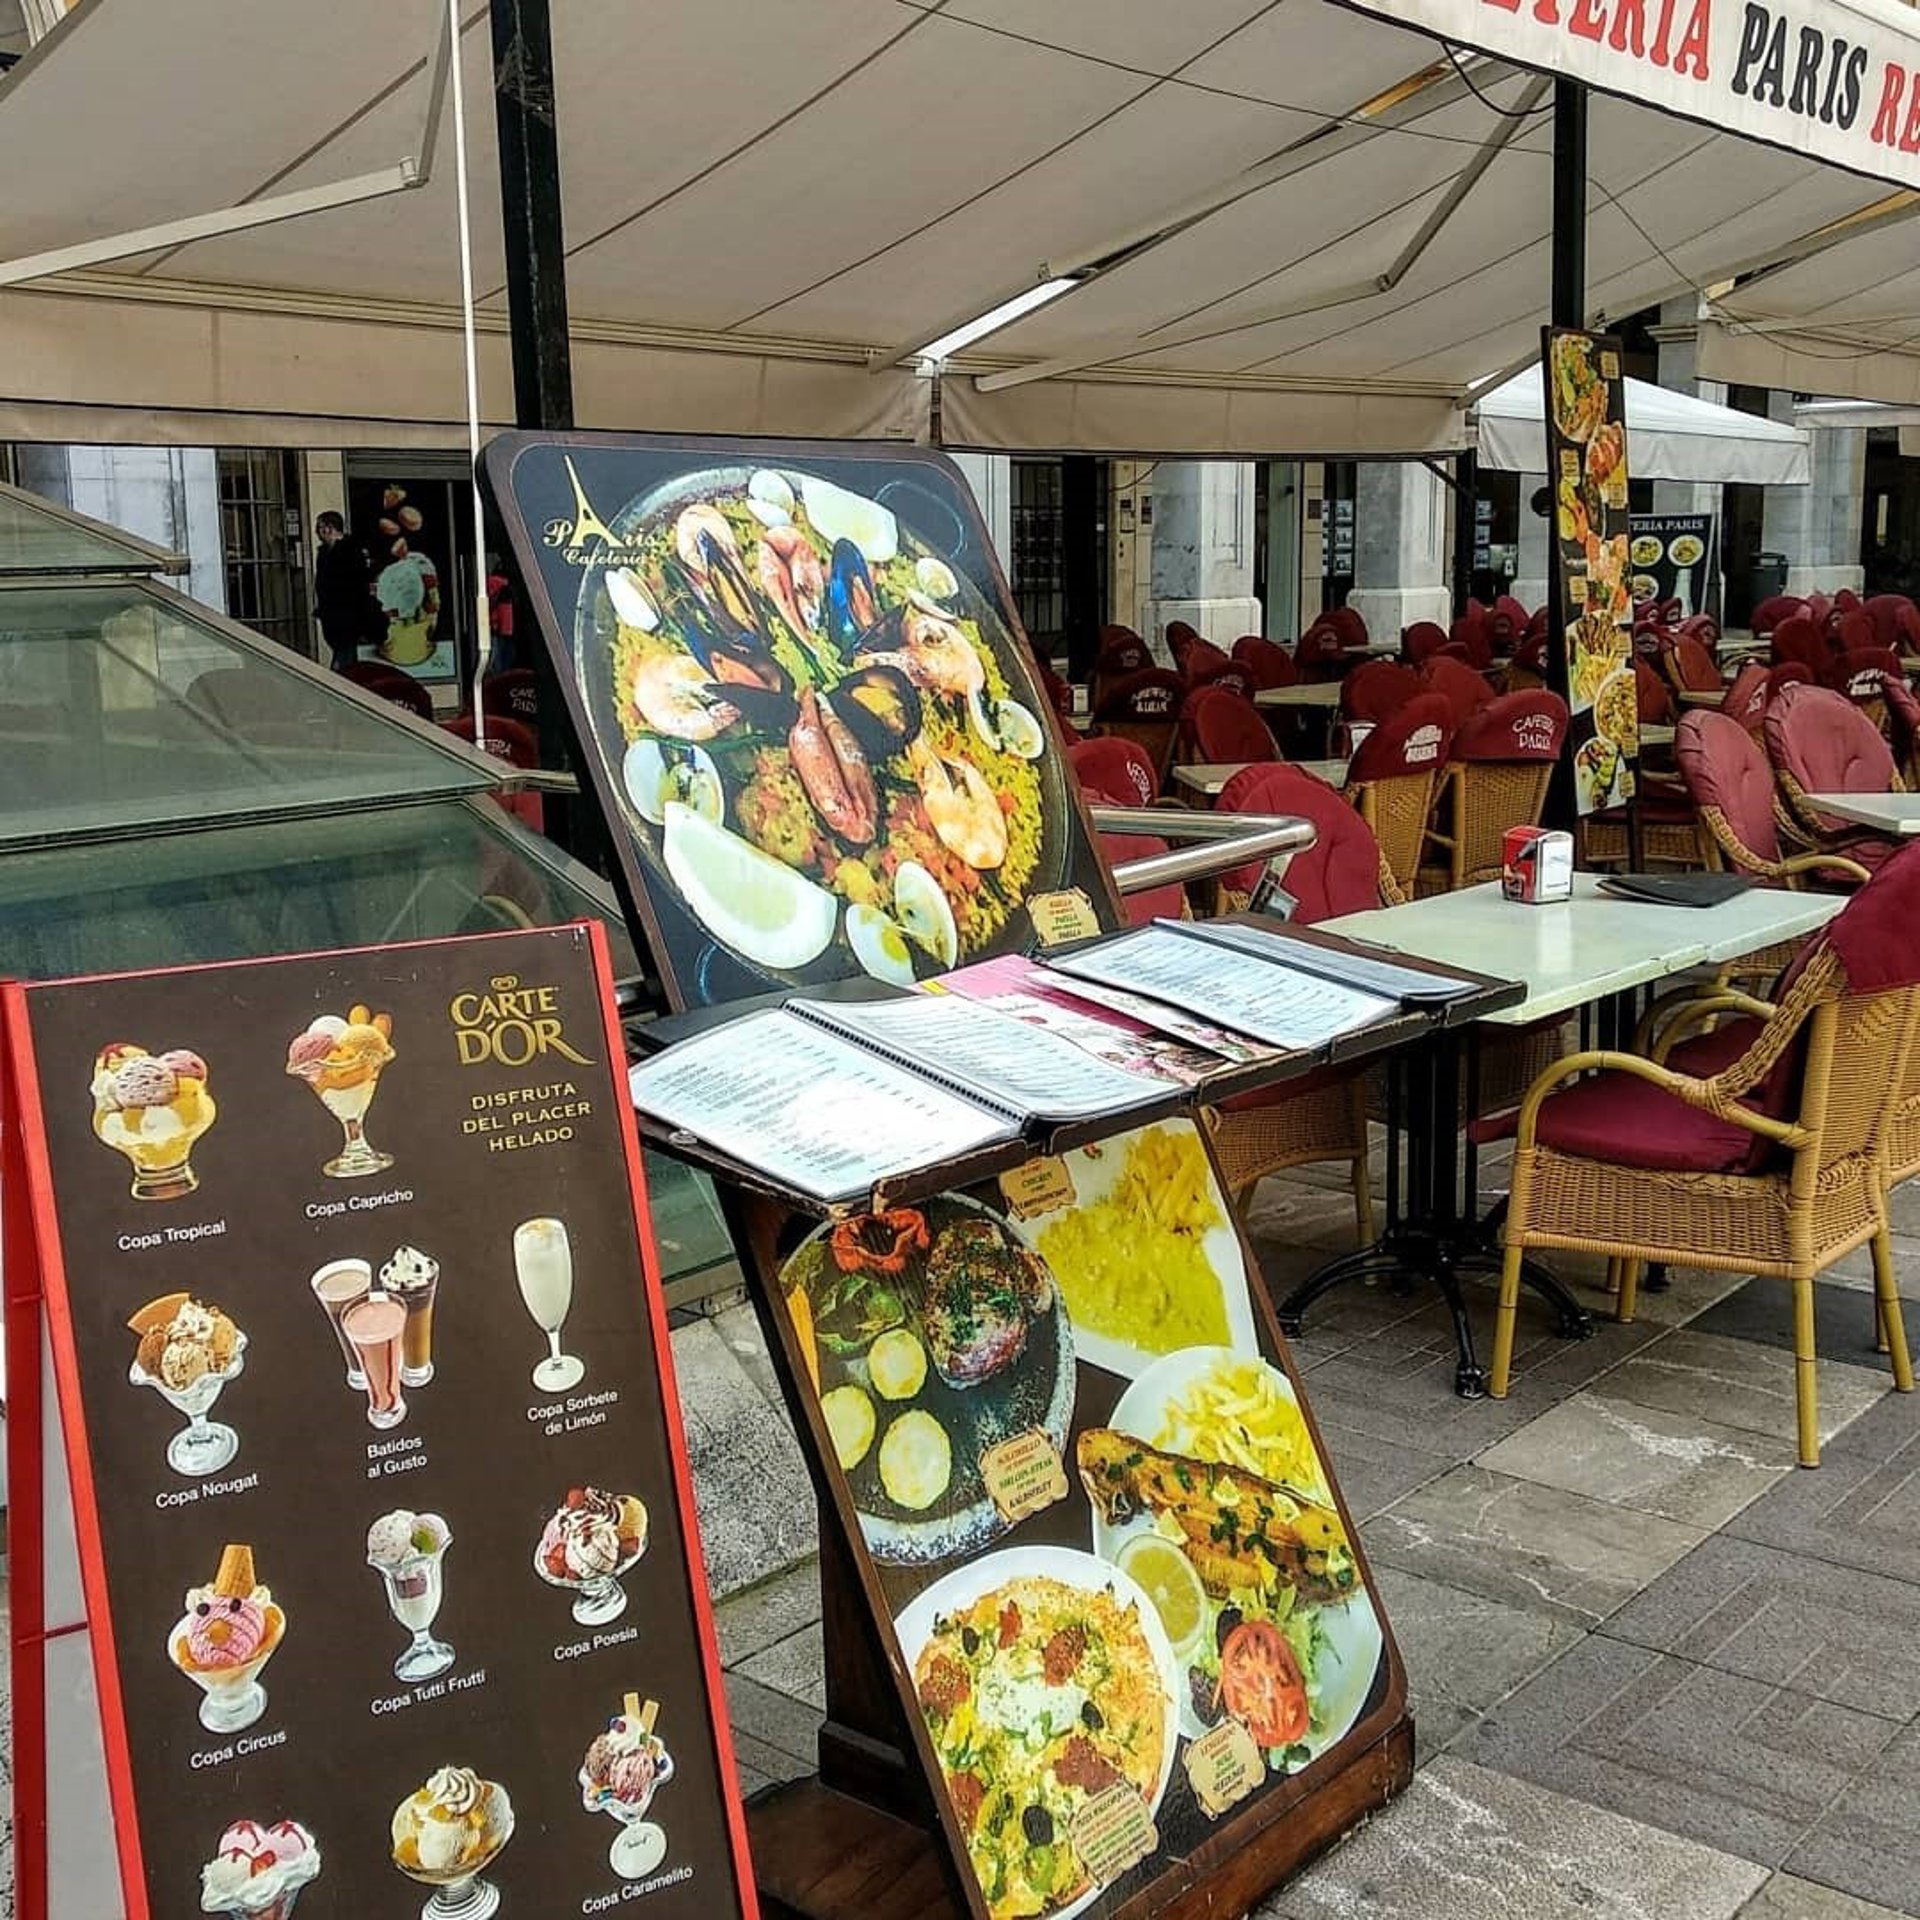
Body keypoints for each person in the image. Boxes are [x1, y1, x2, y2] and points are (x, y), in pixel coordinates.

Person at [313, 512, 369, 673]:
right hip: (332, 615)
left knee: (343, 662)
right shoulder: (325, 552)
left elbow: (356, 585)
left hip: (346, 615)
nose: (317, 532)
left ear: (329, 529)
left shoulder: (350, 552)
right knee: (344, 656)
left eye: (320, 528)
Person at [485, 553, 515, 677]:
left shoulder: (489, 583)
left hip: (495, 628)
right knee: (502, 661)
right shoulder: (505, 586)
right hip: (504, 629)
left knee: (497, 661)